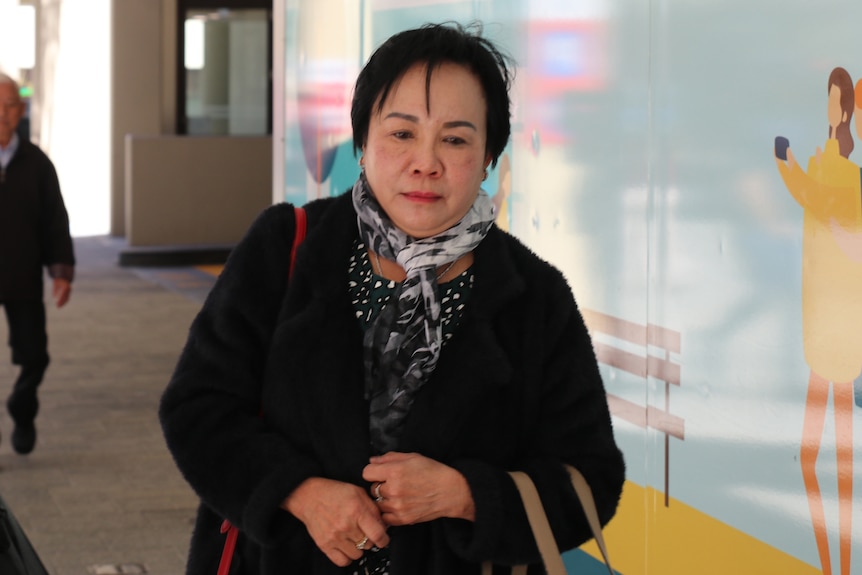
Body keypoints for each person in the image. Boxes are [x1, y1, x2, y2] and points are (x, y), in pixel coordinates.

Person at [160, 22, 624, 575]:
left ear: (488, 158)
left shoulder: (534, 296)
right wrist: (297, 492)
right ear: (362, 142)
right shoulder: (285, 248)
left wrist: (465, 494)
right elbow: (198, 409)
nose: (425, 162)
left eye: (455, 139)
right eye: (402, 133)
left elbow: (590, 477)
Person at [775, 66, 859, 575]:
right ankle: (834, 566)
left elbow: (821, 202)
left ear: (845, 111)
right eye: (830, 100)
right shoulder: (822, 164)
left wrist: (787, 167)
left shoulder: (847, 176)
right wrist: (789, 166)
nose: (832, 110)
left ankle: (841, 566)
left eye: (837, 102)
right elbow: (810, 199)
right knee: (813, 460)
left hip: (844, 334)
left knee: (840, 467)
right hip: (819, 328)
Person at [0, 73, 75, 455]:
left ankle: (22, 406)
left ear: (22, 110)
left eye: (10, 105)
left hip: (21, 276)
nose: (2, 113)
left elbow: (55, 221)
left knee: (35, 356)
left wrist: (61, 271)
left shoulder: (37, 164)